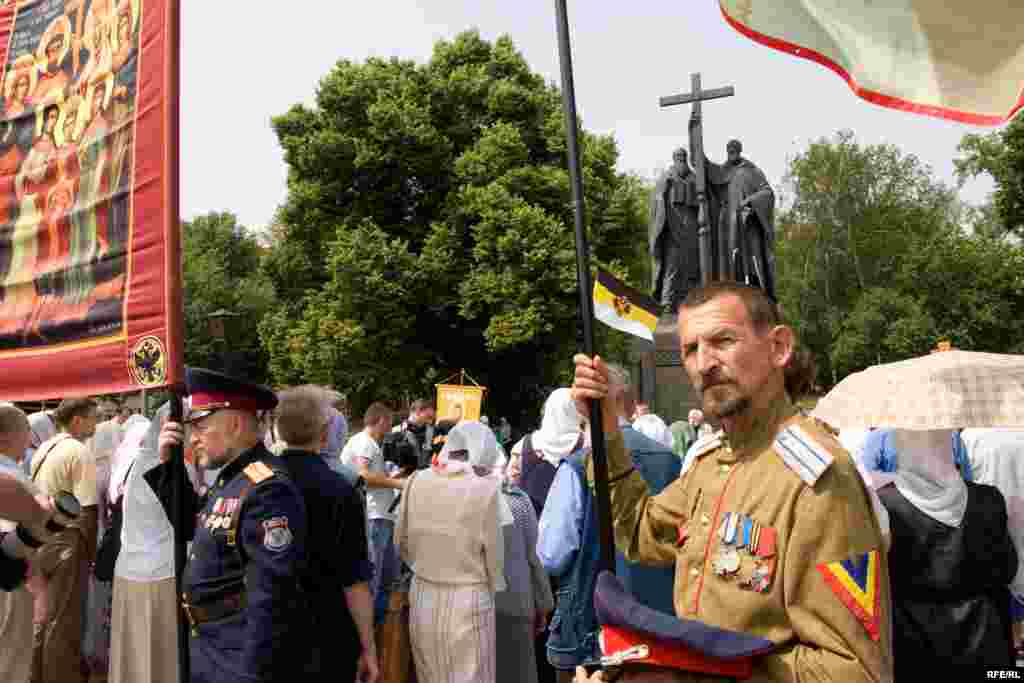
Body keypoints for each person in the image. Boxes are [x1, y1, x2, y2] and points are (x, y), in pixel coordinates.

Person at [571, 282, 893, 680]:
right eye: (690, 350)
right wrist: (606, 435)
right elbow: (640, 532)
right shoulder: (712, 462)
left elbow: (855, 671)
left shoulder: (818, 479)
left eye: (723, 341)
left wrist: (682, 678)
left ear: (779, 347)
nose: (704, 363)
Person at [154, 367, 308, 683]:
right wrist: (170, 467)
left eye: (200, 425)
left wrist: (248, 674)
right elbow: (193, 529)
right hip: (212, 646)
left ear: (235, 424)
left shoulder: (266, 488)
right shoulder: (232, 478)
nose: (191, 437)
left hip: (236, 660)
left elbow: (271, 598)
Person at [877, 428, 1017, 674]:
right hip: (986, 641)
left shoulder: (884, 505)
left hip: (916, 648)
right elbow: (1007, 568)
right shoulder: (989, 498)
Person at [275, 386, 378, 683]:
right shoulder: (341, 491)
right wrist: (369, 646)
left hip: (270, 630)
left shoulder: (257, 480)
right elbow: (355, 582)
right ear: (324, 434)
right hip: (327, 632)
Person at [395, 420, 505, 683]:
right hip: (468, 597)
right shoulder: (487, 489)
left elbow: (401, 541)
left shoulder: (415, 481)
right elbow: (494, 558)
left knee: (428, 673)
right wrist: (493, 585)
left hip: (422, 593)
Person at [108, 409, 181, 683]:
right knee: (159, 656)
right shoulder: (167, 468)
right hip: (161, 574)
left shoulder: (136, 462)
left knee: (133, 655)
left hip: (130, 569)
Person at [31, 397, 100, 683]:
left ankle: (36, 674)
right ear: (77, 420)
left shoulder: (44, 448)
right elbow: (87, 509)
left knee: (42, 618)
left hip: (40, 538)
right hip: (66, 540)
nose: (97, 423)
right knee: (64, 620)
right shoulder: (78, 451)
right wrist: (90, 550)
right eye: (93, 417)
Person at [341, 402, 405, 624]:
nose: (390, 427)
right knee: (375, 576)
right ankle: (372, 627)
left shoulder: (366, 443)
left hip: (380, 514)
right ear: (381, 420)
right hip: (375, 515)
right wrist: (398, 483)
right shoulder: (365, 443)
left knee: (384, 574)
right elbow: (363, 474)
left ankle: (378, 625)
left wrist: (390, 476)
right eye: (388, 422)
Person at [0, 404, 49, 683]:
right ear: (5, 437)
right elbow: (19, 544)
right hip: (11, 584)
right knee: (10, 663)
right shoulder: (13, 480)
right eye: (24, 432)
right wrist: (39, 589)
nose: (28, 440)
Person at [497, 476, 554, 683]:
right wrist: (543, 604)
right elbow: (533, 558)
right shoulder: (515, 500)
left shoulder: (440, 496)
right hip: (513, 607)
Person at [509, 388, 582, 517]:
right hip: (571, 527)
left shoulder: (522, 446)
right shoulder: (585, 445)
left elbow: (510, 487)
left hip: (530, 526)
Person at [650, 147, 701, 312]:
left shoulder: (695, 179)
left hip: (691, 231)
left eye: (683, 156)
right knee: (672, 268)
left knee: (691, 268)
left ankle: (690, 303)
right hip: (672, 230)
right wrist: (664, 190)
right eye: (678, 157)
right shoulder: (667, 178)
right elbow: (657, 203)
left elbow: (704, 203)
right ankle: (666, 304)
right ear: (674, 159)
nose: (681, 159)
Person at [396, 399, 435, 470]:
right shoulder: (400, 432)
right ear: (418, 413)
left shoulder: (428, 428)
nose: (430, 420)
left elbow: (427, 451)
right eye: (428, 417)